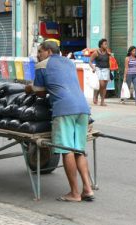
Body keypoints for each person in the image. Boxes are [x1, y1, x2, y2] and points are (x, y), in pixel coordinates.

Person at [26, 41, 94, 202]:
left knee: (66, 150)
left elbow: (41, 94)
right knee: (79, 150)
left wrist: (29, 88)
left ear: (49, 52)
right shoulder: (69, 63)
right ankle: (88, 189)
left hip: (64, 109)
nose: (38, 56)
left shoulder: (42, 66)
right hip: (83, 108)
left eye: (40, 52)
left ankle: (75, 193)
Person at [89, 38, 110, 106]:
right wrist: (93, 68)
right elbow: (90, 61)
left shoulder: (108, 51)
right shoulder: (96, 52)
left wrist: (110, 55)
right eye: (105, 44)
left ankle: (102, 101)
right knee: (101, 84)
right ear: (101, 45)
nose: (106, 45)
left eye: (106, 44)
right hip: (99, 69)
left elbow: (111, 60)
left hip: (106, 69)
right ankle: (95, 95)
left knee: (104, 86)